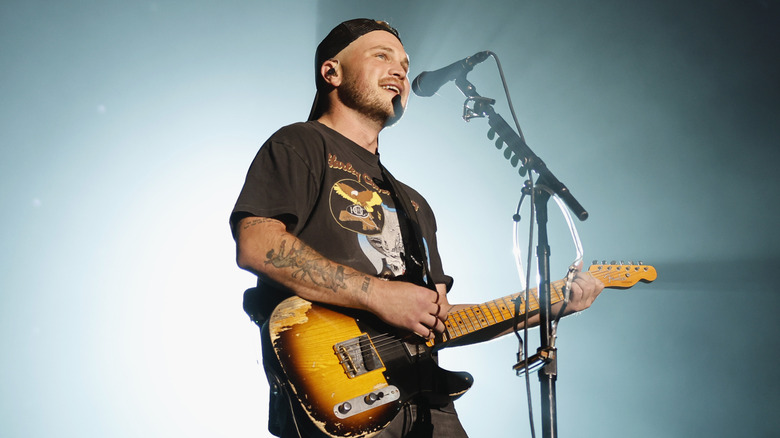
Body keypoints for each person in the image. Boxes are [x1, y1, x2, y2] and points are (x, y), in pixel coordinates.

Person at [230, 18, 604, 438]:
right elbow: (258, 244)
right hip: (340, 393)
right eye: (382, 56)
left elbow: (437, 319)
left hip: (428, 407)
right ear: (331, 72)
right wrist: (378, 295)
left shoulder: (414, 204)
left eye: (405, 66)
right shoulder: (299, 144)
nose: (400, 71)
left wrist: (549, 306)